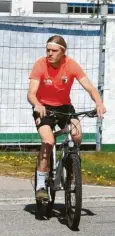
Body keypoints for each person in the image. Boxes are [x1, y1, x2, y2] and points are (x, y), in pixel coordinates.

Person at [28, 35, 106, 201]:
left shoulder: (71, 65)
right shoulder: (40, 65)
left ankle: (72, 166)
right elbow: (31, 93)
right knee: (48, 142)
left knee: (77, 134)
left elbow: (90, 88)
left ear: (63, 53)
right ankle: (41, 185)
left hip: (64, 107)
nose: (49, 54)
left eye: (54, 51)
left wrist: (99, 103)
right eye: (48, 50)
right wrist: (37, 104)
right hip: (43, 108)